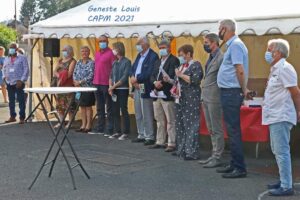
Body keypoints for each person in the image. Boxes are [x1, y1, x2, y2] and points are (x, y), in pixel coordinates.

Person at [262, 39, 300, 197]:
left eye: (269, 49)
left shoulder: (284, 68)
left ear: (277, 52)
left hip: (281, 115)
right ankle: (284, 180)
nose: (267, 53)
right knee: (277, 150)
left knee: (281, 151)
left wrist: (299, 111)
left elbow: (295, 92)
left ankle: (286, 186)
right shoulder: (276, 68)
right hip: (275, 115)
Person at [216, 19, 250, 178]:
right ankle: (234, 163)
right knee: (231, 130)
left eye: (219, 29)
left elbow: (239, 69)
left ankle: (239, 167)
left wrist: (243, 90)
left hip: (231, 92)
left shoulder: (235, 45)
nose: (218, 32)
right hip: (229, 91)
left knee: (233, 130)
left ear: (224, 29)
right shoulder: (233, 45)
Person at [172, 44, 203, 160]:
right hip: (180, 98)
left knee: (191, 125)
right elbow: (177, 81)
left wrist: (181, 75)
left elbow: (195, 80)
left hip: (191, 98)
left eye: (181, 55)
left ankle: (191, 151)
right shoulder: (181, 66)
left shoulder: (196, 65)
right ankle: (181, 149)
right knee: (180, 125)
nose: (180, 57)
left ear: (189, 54)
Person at [198, 33, 224, 168]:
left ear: (214, 43)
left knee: (216, 128)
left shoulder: (221, 57)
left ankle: (218, 156)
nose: (205, 45)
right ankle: (214, 154)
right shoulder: (211, 57)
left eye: (206, 42)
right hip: (206, 95)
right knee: (210, 128)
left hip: (215, 96)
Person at [149, 39, 179, 152]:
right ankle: (160, 141)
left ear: (169, 48)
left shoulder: (174, 60)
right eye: (160, 48)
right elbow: (152, 74)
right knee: (159, 119)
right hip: (156, 94)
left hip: (167, 93)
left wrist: (160, 82)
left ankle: (172, 142)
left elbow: (171, 74)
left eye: (163, 48)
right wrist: (154, 83)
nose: (161, 50)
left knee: (170, 119)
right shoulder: (157, 61)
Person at [130, 37, 159, 145]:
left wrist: (137, 79)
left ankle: (149, 136)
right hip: (136, 85)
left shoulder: (153, 56)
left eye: (139, 43)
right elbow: (132, 69)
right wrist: (133, 80)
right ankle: (141, 133)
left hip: (145, 86)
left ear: (145, 44)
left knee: (146, 111)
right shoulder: (139, 55)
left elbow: (150, 72)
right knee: (138, 111)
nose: (137, 45)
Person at [89, 35, 115, 136]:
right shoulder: (97, 53)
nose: (102, 43)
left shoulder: (111, 53)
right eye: (100, 41)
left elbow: (114, 69)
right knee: (99, 107)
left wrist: (111, 83)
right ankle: (100, 127)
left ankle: (110, 128)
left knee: (109, 107)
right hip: (97, 82)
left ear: (108, 42)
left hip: (106, 84)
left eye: (104, 41)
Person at [108, 42, 131, 140]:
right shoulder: (114, 62)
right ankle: (117, 131)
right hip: (114, 89)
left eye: (114, 48)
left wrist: (113, 87)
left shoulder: (127, 61)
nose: (113, 50)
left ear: (118, 49)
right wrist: (110, 87)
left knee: (123, 109)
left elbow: (125, 77)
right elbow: (111, 76)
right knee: (115, 110)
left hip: (122, 89)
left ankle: (125, 132)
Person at [2, 43, 29, 124]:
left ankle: (22, 117)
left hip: (19, 82)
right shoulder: (7, 58)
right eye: (10, 48)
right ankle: (12, 116)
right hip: (9, 82)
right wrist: (4, 77)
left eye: (13, 48)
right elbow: (3, 68)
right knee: (11, 101)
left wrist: (22, 80)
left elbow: (26, 69)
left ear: (17, 49)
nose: (11, 49)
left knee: (21, 100)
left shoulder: (22, 58)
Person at [73, 46, 95, 133]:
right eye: (82, 51)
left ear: (89, 52)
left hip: (88, 87)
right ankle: (83, 124)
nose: (84, 53)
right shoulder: (78, 62)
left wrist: (80, 82)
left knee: (88, 107)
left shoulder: (92, 63)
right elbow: (74, 72)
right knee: (82, 106)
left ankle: (88, 125)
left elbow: (91, 75)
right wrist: (75, 81)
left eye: (86, 51)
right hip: (79, 88)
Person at [54, 45, 77, 128]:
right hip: (59, 85)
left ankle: (70, 122)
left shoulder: (72, 61)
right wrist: (60, 75)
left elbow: (69, 73)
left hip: (68, 86)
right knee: (60, 105)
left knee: (69, 105)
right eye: (63, 50)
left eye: (65, 50)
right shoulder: (60, 60)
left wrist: (60, 74)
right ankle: (61, 121)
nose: (63, 51)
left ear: (70, 51)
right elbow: (54, 72)